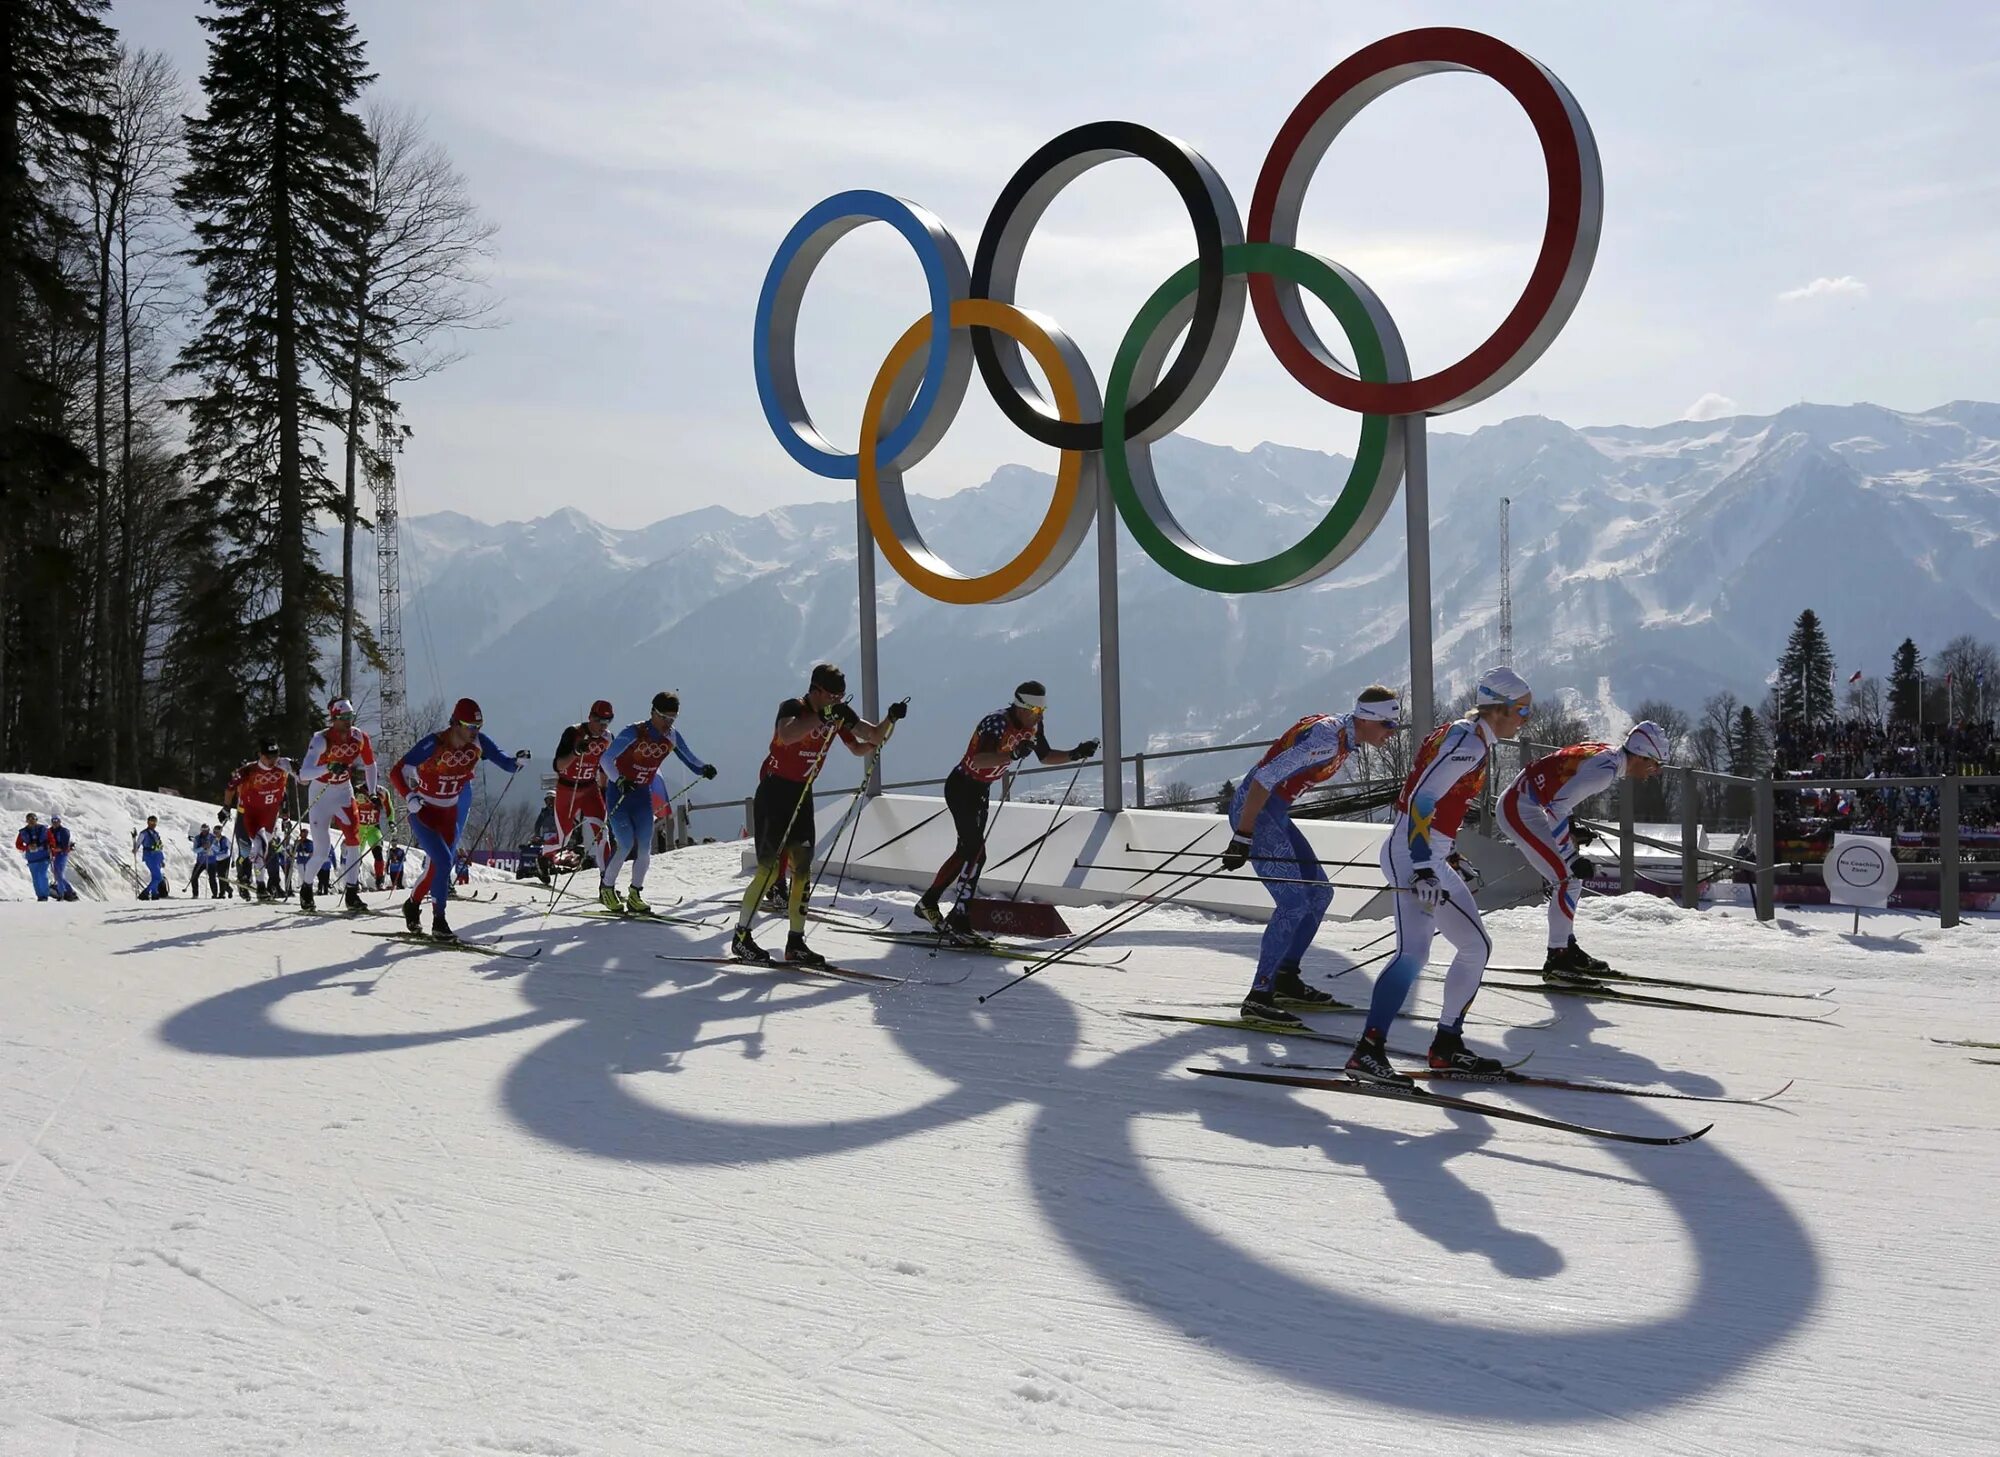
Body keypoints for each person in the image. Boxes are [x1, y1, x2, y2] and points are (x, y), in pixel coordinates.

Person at [1346, 666, 1533, 1085]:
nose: (1525, 720)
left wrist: (1451, 855)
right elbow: (1420, 798)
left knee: (1475, 946)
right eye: (1522, 711)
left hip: (1431, 852)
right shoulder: (1468, 742)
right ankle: (1367, 1051)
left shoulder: (1466, 736)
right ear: (1498, 709)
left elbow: (1438, 803)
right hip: (1415, 855)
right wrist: (1426, 865)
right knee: (1413, 955)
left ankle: (1447, 1045)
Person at [1219, 687, 1403, 1027]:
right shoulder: (1327, 739)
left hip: (1274, 813)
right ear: (1367, 719)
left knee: (1320, 894)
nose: (1391, 733)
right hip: (1256, 813)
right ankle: (1259, 996)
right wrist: (1242, 836)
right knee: (1293, 904)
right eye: (1388, 725)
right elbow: (1263, 778)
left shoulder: (1344, 738)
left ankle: (1286, 977)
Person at [732, 663, 902, 966]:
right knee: (770, 871)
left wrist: (891, 719)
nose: (838, 700)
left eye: (841, 696)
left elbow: (870, 741)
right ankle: (742, 937)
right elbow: (787, 735)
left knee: (803, 870)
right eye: (832, 695)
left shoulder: (837, 712)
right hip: (774, 792)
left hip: (802, 792)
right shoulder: (794, 707)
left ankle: (795, 942)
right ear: (816, 690)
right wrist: (822, 717)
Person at [915, 681, 1097, 938]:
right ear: (1021, 706)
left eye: (1042, 711)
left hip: (980, 789)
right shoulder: (997, 722)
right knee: (976, 852)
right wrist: (1011, 755)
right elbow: (979, 758)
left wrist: (1075, 753)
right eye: (1035, 711)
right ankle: (959, 916)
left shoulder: (1033, 725)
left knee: (969, 849)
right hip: (962, 786)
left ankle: (929, 903)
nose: (1039, 716)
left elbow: (1044, 757)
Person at [1500, 721, 1668, 977]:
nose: (1654, 772)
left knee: (1568, 880)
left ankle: (1565, 946)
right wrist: (1569, 855)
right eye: (1655, 764)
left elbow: (1558, 792)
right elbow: (1557, 807)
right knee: (1568, 879)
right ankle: (1558, 957)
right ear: (1642, 756)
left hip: (1525, 804)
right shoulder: (1604, 772)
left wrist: (1568, 830)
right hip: (1520, 810)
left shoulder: (1608, 755)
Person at [388, 697, 529, 941]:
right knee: (443, 861)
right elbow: (396, 770)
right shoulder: (434, 743)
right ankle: (439, 921)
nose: (476, 732)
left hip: (448, 814)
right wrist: (409, 796)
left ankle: (412, 904)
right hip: (424, 813)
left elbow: (505, 762)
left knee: (439, 867)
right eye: (471, 727)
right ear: (455, 723)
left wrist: (518, 762)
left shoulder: (478, 743)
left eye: (479, 727)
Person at [596, 691, 715, 914]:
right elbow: (605, 759)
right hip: (620, 794)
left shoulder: (672, 736)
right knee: (624, 844)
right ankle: (607, 888)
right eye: (665, 718)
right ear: (653, 713)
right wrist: (619, 779)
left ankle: (635, 893)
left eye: (673, 719)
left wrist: (704, 768)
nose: (668, 724)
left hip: (642, 795)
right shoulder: (634, 731)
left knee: (644, 847)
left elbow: (689, 757)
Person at [297, 697, 379, 913]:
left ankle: (351, 893)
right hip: (321, 794)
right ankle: (306, 887)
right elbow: (304, 773)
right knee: (322, 851)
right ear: (333, 719)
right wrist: (327, 768)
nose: (347, 722)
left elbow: (370, 765)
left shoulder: (359, 737)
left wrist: (372, 793)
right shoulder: (321, 739)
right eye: (343, 718)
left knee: (354, 840)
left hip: (344, 792)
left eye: (350, 717)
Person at [552, 699, 616, 877]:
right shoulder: (574, 732)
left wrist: (604, 790)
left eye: (608, 721)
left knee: (602, 834)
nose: (603, 726)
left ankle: (607, 883)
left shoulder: (608, 738)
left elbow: (605, 765)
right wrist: (576, 752)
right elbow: (558, 765)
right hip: (568, 788)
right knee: (562, 838)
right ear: (590, 717)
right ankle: (544, 856)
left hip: (590, 789)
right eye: (599, 721)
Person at [223, 741, 295, 899]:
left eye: (275, 756)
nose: (273, 760)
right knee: (248, 851)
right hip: (246, 815)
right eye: (269, 757)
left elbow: (285, 794)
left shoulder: (282, 766)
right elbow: (230, 788)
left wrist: (285, 817)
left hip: (270, 815)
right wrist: (226, 808)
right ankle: (246, 878)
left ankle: (273, 883)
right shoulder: (246, 772)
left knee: (269, 850)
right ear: (260, 756)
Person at [354, 787, 388, 889]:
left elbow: (386, 802)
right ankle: (354, 879)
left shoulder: (378, 793)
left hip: (373, 830)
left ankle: (379, 880)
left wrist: (379, 802)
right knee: (356, 856)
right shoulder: (358, 793)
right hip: (360, 830)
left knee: (378, 854)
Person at [15, 811, 53, 901]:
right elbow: (18, 844)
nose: (31, 821)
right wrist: (27, 847)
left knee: (42, 875)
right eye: (29, 819)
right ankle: (40, 896)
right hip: (32, 858)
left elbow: (52, 840)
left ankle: (45, 894)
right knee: (35, 877)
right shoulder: (23, 832)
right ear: (26, 821)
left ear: (36, 820)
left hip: (44, 856)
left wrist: (49, 847)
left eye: (33, 819)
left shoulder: (44, 829)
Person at [137, 815, 167, 900]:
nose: (153, 824)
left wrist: (162, 859)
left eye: (155, 822)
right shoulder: (144, 833)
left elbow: (159, 847)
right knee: (158, 877)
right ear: (148, 822)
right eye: (151, 822)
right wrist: (135, 849)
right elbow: (138, 842)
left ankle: (154, 893)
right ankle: (145, 893)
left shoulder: (156, 833)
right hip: (149, 856)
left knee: (155, 876)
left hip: (157, 856)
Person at [47, 813, 74, 900]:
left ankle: (62, 893)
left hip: (62, 854)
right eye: (53, 821)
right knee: (56, 873)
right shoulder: (50, 830)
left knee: (59, 873)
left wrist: (59, 849)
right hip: (54, 854)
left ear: (60, 821)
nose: (55, 823)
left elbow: (65, 845)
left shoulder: (64, 831)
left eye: (56, 821)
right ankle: (68, 891)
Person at [189, 823, 212, 897]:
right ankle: (195, 894)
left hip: (211, 861)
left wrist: (210, 847)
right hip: (200, 861)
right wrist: (202, 847)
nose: (204, 831)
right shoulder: (197, 838)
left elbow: (216, 848)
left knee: (213, 878)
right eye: (203, 830)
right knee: (194, 877)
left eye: (206, 830)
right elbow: (195, 850)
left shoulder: (212, 837)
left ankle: (216, 894)